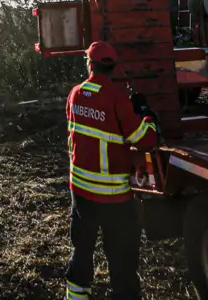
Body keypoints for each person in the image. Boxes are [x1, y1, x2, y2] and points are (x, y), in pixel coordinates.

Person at [64, 41, 159, 300]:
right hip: (115, 197)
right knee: (122, 258)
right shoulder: (117, 100)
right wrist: (147, 116)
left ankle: (76, 296)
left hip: (81, 192)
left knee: (81, 250)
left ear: (89, 65)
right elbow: (145, 140)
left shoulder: (75, 94)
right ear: (113, 67)